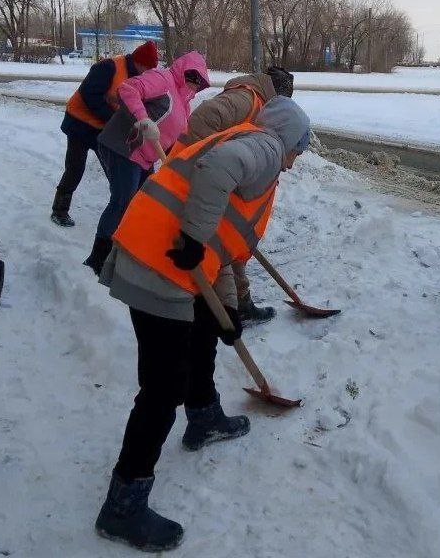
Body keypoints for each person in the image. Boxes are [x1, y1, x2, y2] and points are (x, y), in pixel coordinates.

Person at [95, 96, 311, 551]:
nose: (295, 161)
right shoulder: (266, 148)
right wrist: (193, 238)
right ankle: (123, 506)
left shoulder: (253, 142)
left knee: (204, 332)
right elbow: (219, 171)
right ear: (289, 139)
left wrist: (226, 310)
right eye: (300, 149)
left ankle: (204, 416)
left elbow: (222, 243)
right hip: (159, 265)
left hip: (162, 259)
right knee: (162, 390)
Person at [176, 65, 295, 325]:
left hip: (216, 180)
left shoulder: (258, 103)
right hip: (198, 179)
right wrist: (210, 164)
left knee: (231, 244)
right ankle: (235, 305)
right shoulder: (246, 99)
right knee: (222, 248)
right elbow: (202, 119)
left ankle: (240, 303)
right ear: (277, 95)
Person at [83, 51, 210, 275]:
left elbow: (176, 137)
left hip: (144, 157)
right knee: (122, 201)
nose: (193, 82)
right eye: (191, 75)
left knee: (142, 203)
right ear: (182, 70)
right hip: (124, 147)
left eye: (198, 80)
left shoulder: (185, 103)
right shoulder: (162, 79)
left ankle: (126, 250)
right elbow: (128, 88)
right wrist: (143, 118)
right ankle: (97, 258)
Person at [51, 41, 159, 227]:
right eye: (147, 68)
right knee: (75, 168)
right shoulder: (109, 67)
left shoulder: (137, 77)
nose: (147, 73)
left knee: (115, 172)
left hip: (103, 128)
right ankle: (59, 210)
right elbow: (89, 96)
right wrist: (115, 119)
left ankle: (121, 211)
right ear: (139, 62)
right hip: (79, 123)